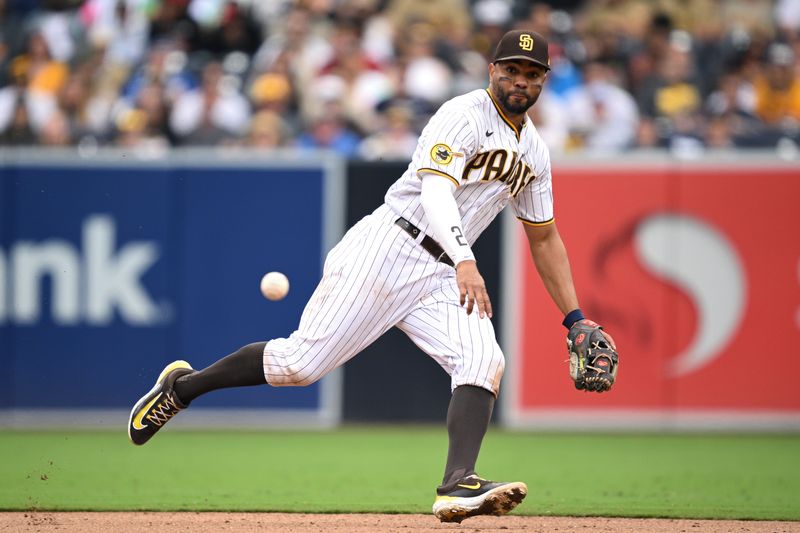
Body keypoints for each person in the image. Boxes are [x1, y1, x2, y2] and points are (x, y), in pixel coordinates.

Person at [128, 29, 616, 523]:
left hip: (442, 272)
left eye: (531, 74)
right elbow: (436, 192)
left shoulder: (533, 152)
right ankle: (181, 389)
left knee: (482, 358)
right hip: (389, 246)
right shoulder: (462, 115)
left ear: (543, 82)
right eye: (510, 69)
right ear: (492, 70)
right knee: (299, 365)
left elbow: (544, 237)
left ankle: (457, 484)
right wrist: (467, 260)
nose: (519, 80)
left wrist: (574, 317)